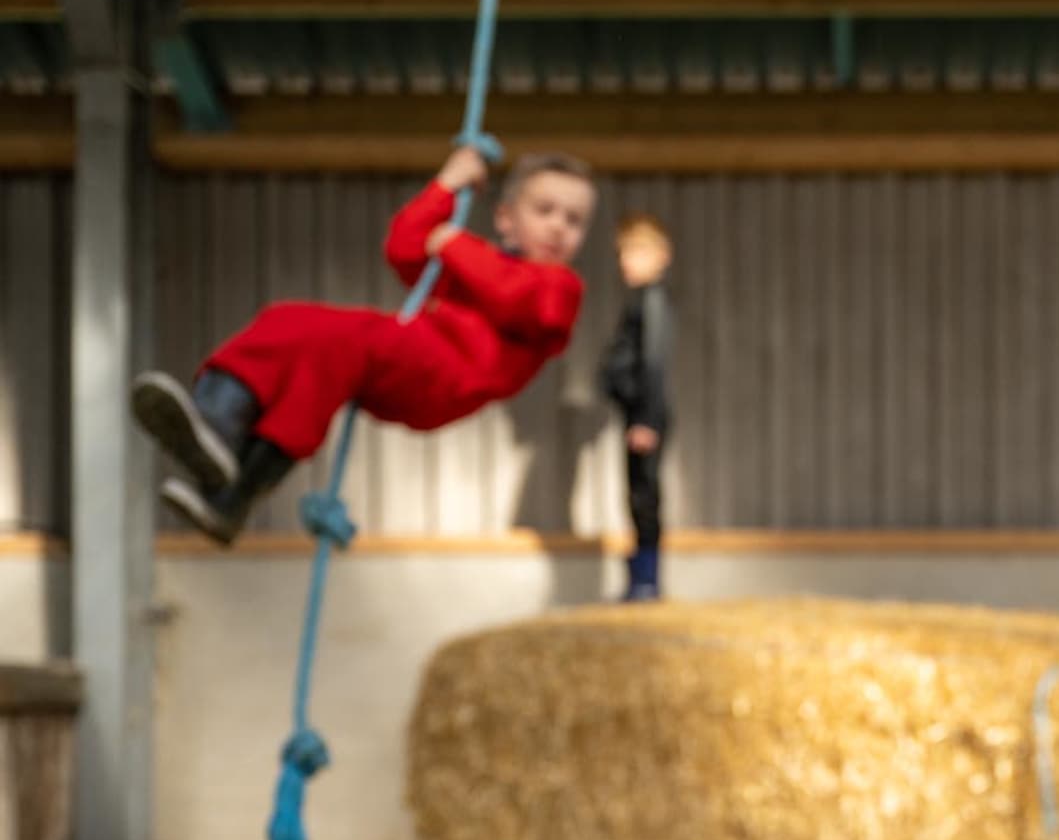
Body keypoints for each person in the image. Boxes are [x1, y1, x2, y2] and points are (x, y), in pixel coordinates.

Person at [130, 147, 596, 544]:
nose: (559, 227)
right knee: (296, 331)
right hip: (410, 357)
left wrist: (453, 243)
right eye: (544, 210)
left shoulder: (560, 286)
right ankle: (228, 477)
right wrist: (445, 186)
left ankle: (219, 433)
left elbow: (516, 299)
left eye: (574, 220)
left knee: (343, 341)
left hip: (446, 376)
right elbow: (405, 247)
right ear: (506, 219)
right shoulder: (481, 260)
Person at [601, 212, 675, 601]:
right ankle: (640, 577)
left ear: (660, 255)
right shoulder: (640, 302)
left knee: (645, 496)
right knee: (636, 494)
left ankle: (646, 581)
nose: (626, 262)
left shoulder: (652, 303)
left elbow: (653, 363)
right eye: (623, 253)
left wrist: (646, 419)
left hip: (645, 415)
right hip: (637, 412)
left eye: (635, 252)